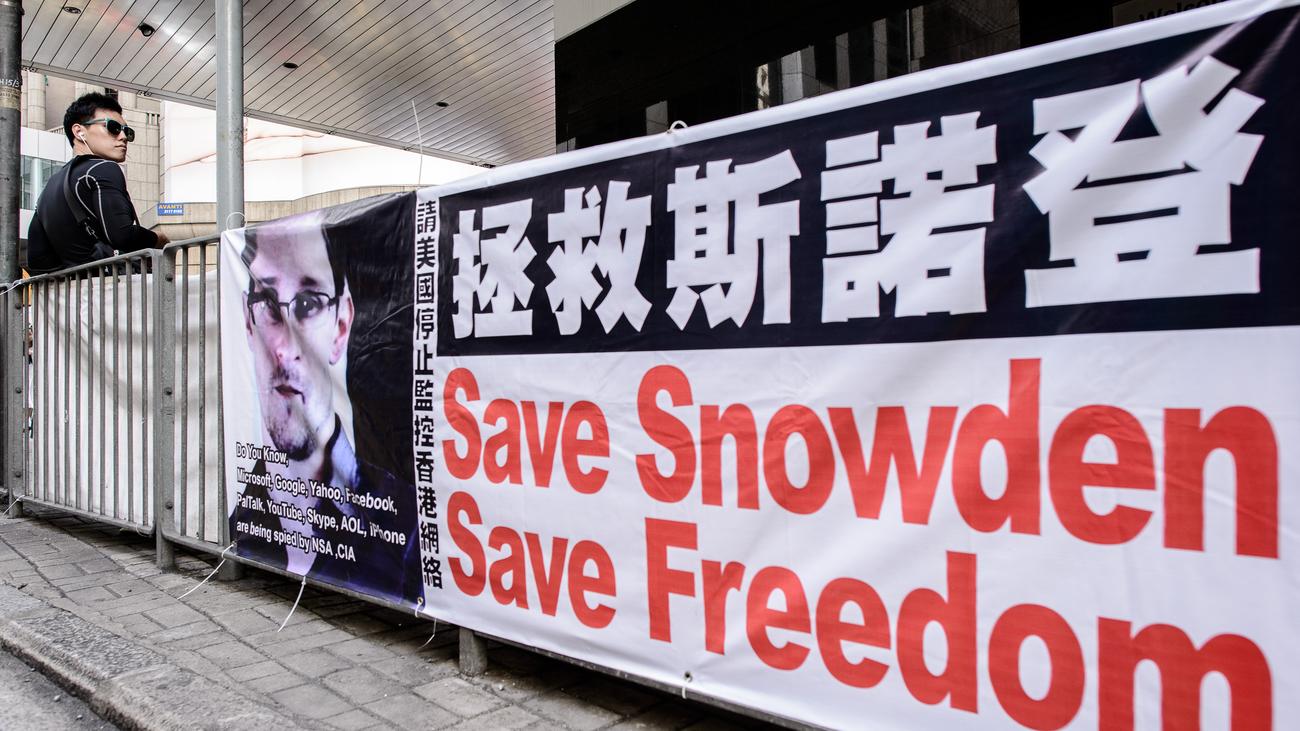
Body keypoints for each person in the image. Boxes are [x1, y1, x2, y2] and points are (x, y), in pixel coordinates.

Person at [228, 210, 420, 605]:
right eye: (268, 303)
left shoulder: (406, 528)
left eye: (309, 303)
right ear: (248, 321)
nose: (284, 349)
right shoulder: (241, 520)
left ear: (341, 325)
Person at [24, 92, 168, 274]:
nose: (123, 136)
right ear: (79, 131)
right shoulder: (103, 168)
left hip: (69, 289)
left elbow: (37, 259)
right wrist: (160, 239)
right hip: (110, 286)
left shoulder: (50, 187)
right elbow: (122, 234)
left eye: (127, 132)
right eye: (113, 128)